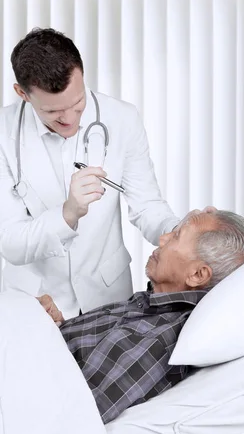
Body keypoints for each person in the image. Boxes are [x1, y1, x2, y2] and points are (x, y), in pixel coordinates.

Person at [0, 27, 182, 318]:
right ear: (22, 93)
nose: (70, 119)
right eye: (53, 112)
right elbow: (9, 242)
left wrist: (180, 233)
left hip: (107, 295)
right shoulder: (3, 133)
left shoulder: (122, 118)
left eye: (77, 103)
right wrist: (68, 213)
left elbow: (146, 205)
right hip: (36, 300)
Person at [38, 210, 244, 424]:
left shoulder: (153, 340)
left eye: (176, 236)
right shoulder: (148, 307)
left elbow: (63, 415)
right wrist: (52, 325)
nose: (163, 238)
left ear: (197, 274)